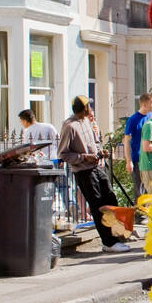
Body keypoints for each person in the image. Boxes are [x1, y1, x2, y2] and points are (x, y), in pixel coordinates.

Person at [58, 96, 131, 253]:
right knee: (98, 206)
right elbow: (63, 154)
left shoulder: (86, 122)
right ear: (84, 108)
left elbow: (94, 143)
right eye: (89, 106)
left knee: (110, 199)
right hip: (84, 172)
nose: (91, 109)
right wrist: (84, 157)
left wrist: (100, 151)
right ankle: (108, 242)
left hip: (97, 167)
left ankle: (115, 236)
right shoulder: (70, 126)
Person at [122, 93, 152, 199]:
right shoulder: (133, 120)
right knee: (140, 189)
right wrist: (129, 161)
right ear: (144, 104)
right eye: (151, 103)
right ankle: (139, 213)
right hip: (138, 159)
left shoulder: (151, 117)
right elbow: (127, 141)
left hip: (150, 159)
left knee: (151, 188)